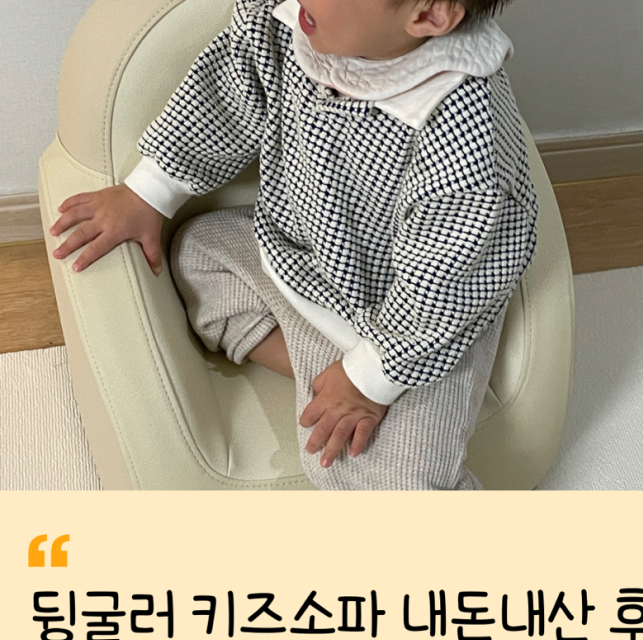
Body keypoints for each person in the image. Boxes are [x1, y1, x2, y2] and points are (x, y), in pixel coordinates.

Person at [49, 0, 538, 490]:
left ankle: (365, 388)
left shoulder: (462, 133)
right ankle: (323, 370)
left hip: (416, 318)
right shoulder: (286, 19)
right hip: (305, 256)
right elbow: (225, 96)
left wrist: (371, 379)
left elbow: (447, 282)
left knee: (378, 474)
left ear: (427, 17)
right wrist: (150, 191)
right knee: (199, 252)